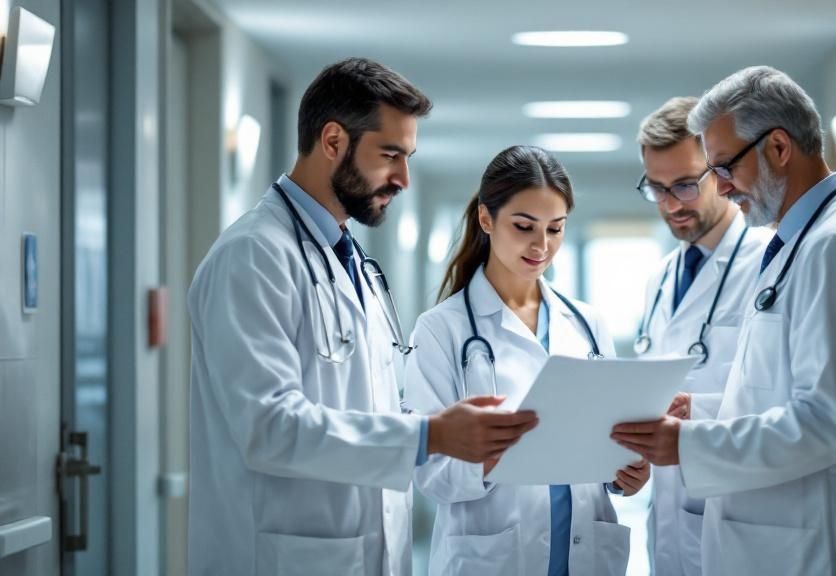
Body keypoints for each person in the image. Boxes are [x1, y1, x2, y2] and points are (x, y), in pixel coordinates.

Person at [187, 58, 538, 576]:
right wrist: (429, 436)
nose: (403, 178)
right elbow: (268, 427)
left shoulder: (354, 266)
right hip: (281, 559)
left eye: (408, 156)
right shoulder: (253, 256)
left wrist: (447, 432)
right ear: (332, 141)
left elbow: (366, 409)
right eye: (390, 155)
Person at [612, 66, 836, 575]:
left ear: (777, 148)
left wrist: (687, 443)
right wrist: (701, 413)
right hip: (777, 542)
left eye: (724, 167)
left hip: (818, 548)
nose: (722, 188)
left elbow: (828, 424)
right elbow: (785, 391)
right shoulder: (799, 244)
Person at [403, 145, 648, 576]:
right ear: (486, 219)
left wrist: (626, 472)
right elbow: (430, 472)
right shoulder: (441, 329)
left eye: (556, 229)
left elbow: (610, 444)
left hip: (586, 554)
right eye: (524, 226)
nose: (542, 245)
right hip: (492, 559)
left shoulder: (588, 324)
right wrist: (497, 456)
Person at [633, 96, 771, 576]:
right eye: (656, 189)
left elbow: (791, 403)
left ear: (721, 172)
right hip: (670, 526)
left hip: (739, 522)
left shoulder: (770, 263)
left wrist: (698, 411)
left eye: (686, 185)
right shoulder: (660, 279)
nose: (671, 205)